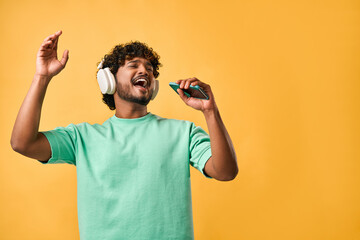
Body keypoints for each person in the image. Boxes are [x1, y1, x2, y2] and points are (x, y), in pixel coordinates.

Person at [11, 30, 238, 240]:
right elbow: (22, 143)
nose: (145, 71)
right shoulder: (82, 138)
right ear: (107, 80)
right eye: (133, 65)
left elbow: (226, 171)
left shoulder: (183, 132)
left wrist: (210, 111)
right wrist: (42, 76)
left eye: (149, 68)